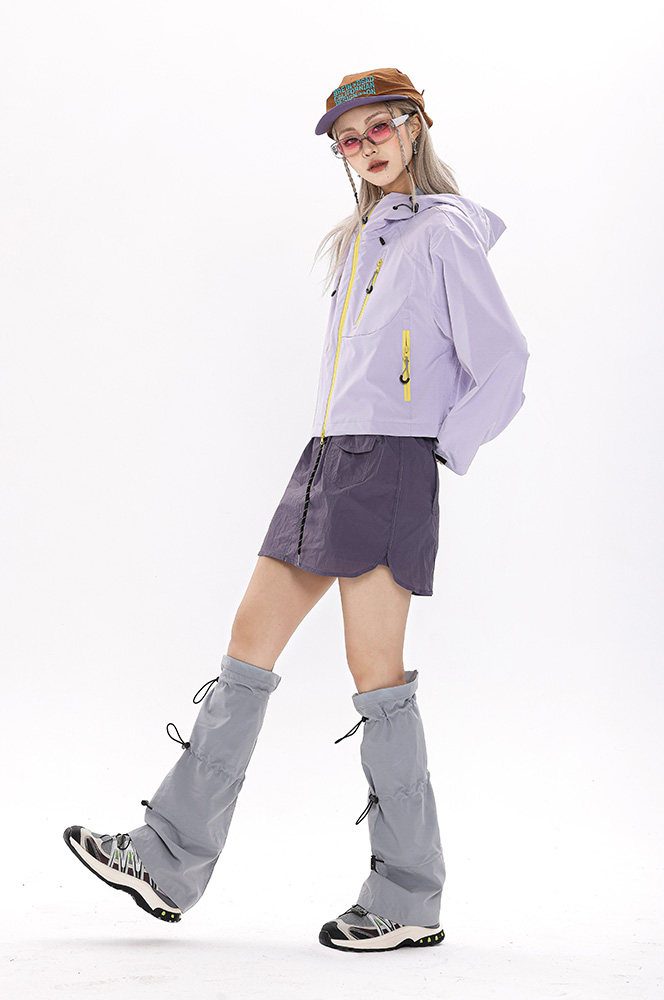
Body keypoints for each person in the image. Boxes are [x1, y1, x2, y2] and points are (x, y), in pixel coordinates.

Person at [62, 68, 530, 953]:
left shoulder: (442, 232)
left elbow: (504, 361)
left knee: (376, 674)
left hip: (387, 462)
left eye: (378, 128)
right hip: (325, 457)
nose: (363, 149)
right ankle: (168, 858)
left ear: (415, 125)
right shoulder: (361, 239)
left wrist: (434, 449)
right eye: (347, 140)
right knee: (250, 641)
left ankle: (408, 896)